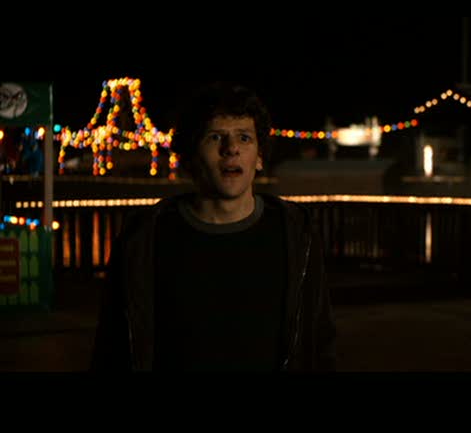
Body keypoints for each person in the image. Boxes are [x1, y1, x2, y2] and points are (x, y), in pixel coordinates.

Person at [92, 82, 335, 371]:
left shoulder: (296, 234)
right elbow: (112, 348)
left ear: (259, 157)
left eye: (244, 137)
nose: (231, 149)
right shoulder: (145, 237)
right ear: (191, 156)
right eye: (215, 137)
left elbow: (319, 343)